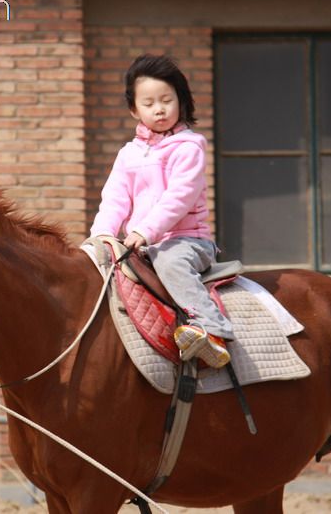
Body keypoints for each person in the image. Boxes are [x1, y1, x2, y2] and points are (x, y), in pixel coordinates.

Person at [89, 54, 234, 368]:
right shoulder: (128, 153)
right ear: (134, 109)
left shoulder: (190, 146)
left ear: (181, 102)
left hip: (187, 242)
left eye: (167, 100)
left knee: (170, 261)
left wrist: (143, 231)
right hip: (143, 246)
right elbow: (115, 198)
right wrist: (101, 236)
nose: (159, 109)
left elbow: (179, 198)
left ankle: (212, 329)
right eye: (149, 102)